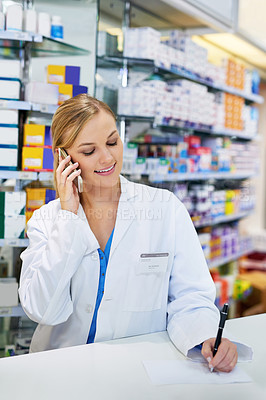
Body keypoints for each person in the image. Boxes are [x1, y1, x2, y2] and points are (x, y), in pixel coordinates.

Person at [19, 94, 238, 372]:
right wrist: (68, 217)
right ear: (64, 158)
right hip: (60, 370)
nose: (108, 157)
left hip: (135, 370)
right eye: (89, 151)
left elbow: (190, 297)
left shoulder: (166, 209)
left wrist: (203, 337)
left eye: (112, 142)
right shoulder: (48, 221)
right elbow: (43, 310)